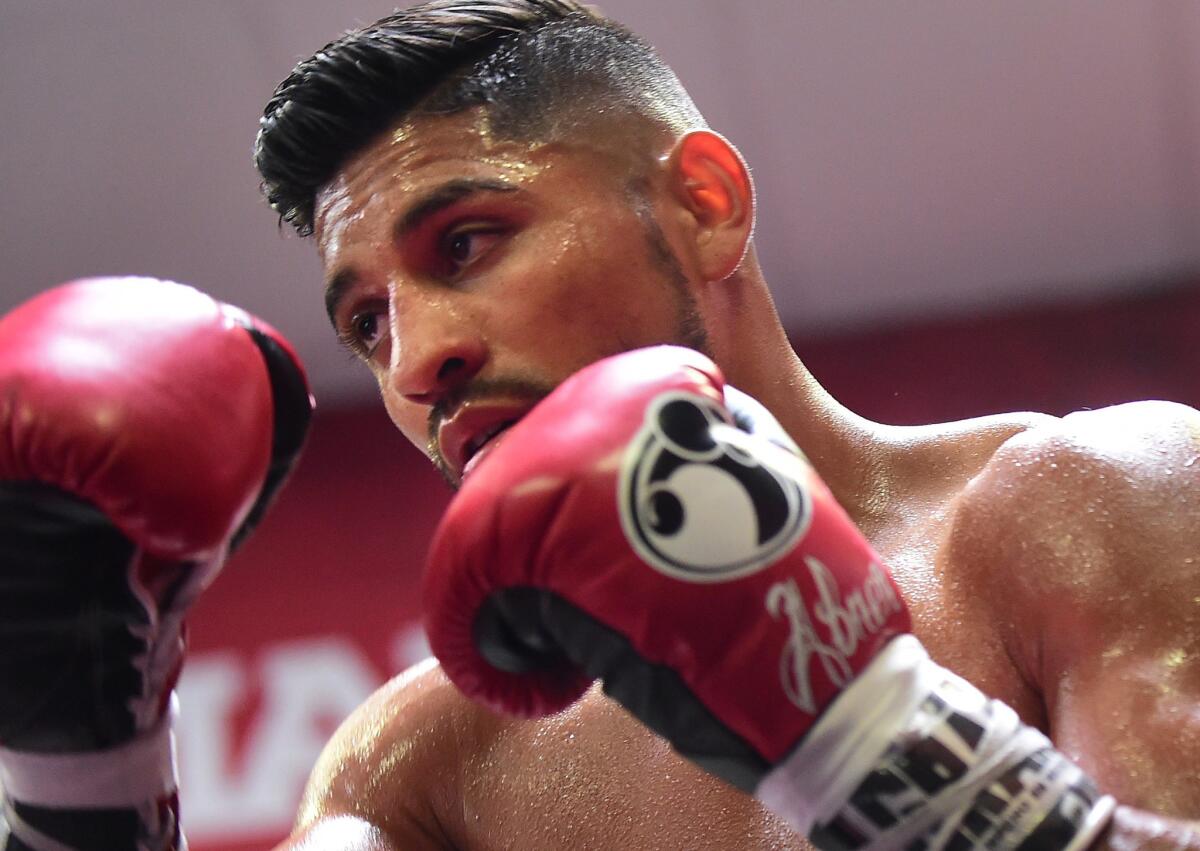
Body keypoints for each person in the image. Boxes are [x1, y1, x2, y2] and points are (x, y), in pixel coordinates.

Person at [250, 1, 1199, 848]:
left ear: (705, 204)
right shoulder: (422, 763)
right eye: (367, 324)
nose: (416, 363)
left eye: (465, 244)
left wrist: (869, 741)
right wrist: (103, 769)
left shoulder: (1085, 501)